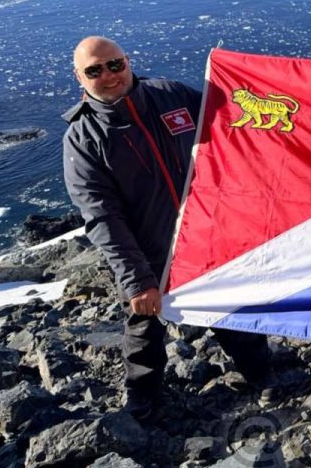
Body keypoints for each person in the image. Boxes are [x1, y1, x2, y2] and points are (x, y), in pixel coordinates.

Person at [62, 36, 273, 422]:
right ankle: (142, 405)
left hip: (208, 238)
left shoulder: (171, 95)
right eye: (94, 71)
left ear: (128, 61)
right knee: (144, 329)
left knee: (228, 310)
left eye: (115, 65)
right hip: (149, 252)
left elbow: (231, 117)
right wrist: (136, 280)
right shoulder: (83, 140)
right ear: (79, 77)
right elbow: (102, 217)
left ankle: (263, 375)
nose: (108, 76)